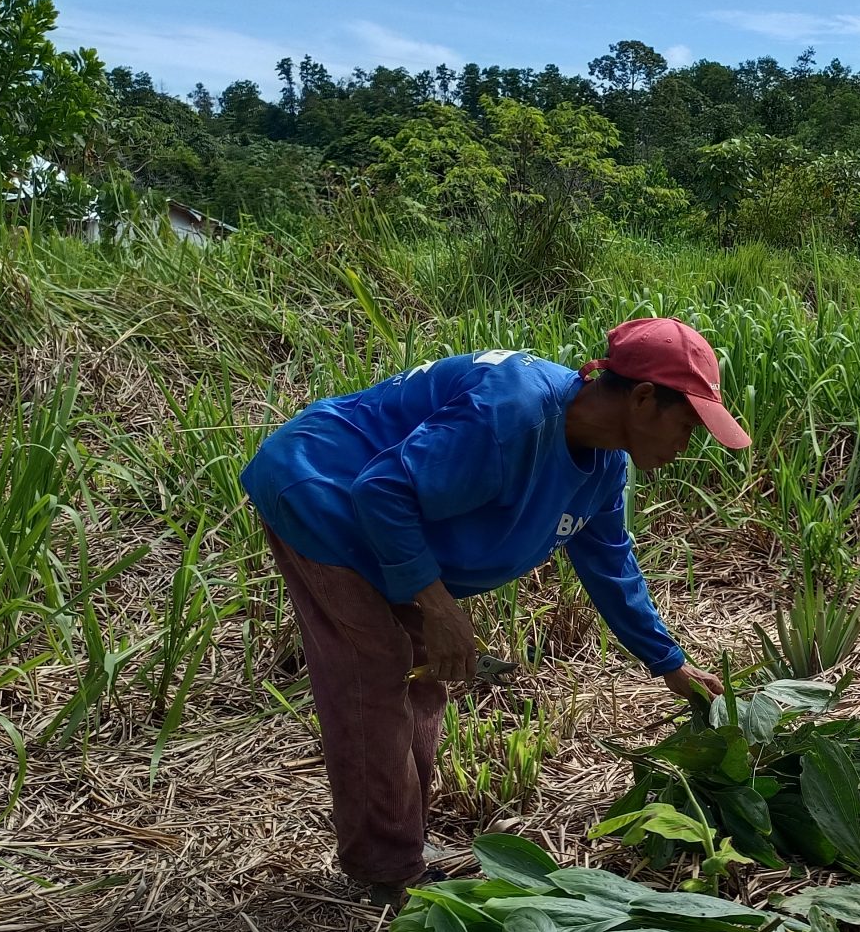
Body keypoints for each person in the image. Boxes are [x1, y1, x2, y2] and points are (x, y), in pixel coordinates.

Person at [240, 317, 749, 900]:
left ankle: (404, 840)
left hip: (390, 523)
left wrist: (671, 666)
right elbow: (381, 490)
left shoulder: (605, 468)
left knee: (425, 672)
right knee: (375, 668)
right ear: (640, 398)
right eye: (686, 426)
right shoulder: (513, 415)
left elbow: (611, 566)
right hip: (321, 489)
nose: (686, 446)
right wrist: (436, 602)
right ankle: (386, 868)